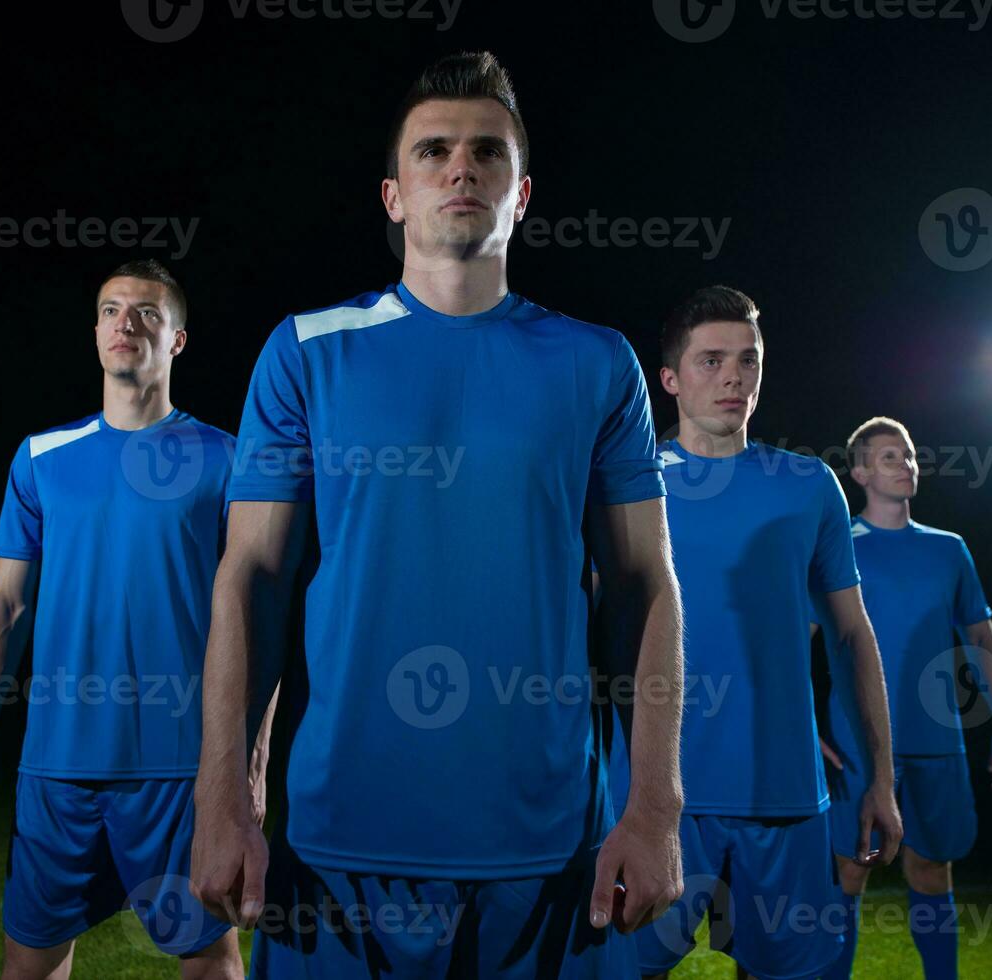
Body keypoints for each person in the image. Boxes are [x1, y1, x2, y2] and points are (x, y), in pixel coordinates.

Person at [192, 50, 685, 979]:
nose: (461, 168)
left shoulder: (596, 362)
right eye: (434, 151)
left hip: (543, 847)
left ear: (522, 191)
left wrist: (652, 807)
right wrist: (222, 796)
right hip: (340, 839)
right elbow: (249, 578)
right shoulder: (304, 351)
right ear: (392, 194)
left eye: (486, 153)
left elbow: (644, 587)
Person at [0, 259, 251, 979]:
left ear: (177, 339)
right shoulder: (42, 457)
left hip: (180, 767)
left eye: (146, 312)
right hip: (59, 767)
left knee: (210, 961)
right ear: (94, 332)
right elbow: (5, 607)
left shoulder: (225, 458)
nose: (126, 323)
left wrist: (250, 760)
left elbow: (256, 615)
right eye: (112, 310)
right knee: (28, 967)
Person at [607, 286, 904, 980]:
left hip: (784, 797)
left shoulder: (805, 484)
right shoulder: (623, 483)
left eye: (747, 360)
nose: (733, 377)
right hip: (650, 800)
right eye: (710, 361)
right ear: (670, 379)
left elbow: (852, 637)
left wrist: (880, 779)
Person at [813, 416, 992, 980]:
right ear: (859, 471)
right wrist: (807, 726)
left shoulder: (949, 550)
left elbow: (980, 638)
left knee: (932, 874)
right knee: (849, 875)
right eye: (889, 457)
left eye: (907, 456)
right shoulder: (839, 549)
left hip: (936, 742)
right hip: (859, 744)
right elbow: (790, 642)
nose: (905, 465)